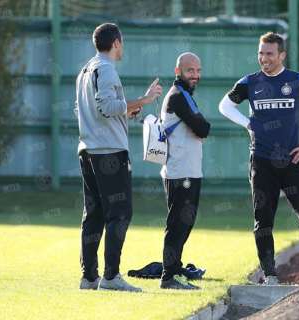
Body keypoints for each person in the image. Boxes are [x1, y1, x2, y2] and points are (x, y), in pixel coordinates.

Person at [218, 32, 299, 285]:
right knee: (263, 221)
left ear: (282, 55)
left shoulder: (297, 80)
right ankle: (270, 275)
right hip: (261, 162)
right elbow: (224, 106)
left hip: (293, 162)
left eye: (269, 53)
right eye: (261, 53)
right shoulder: (249, 82)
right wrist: (247, 123)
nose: (264, 58)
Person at [76, 23, 162, 291]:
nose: (122, 48)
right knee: (120, 213)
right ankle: (111, 277)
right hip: (109, 153)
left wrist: (128, 111)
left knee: (94, 214)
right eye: (121, 43)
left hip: (88, 149)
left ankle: (89, 277)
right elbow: (105, 107)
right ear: (116, 43)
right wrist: (144, 100)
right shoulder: (106, 69)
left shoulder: (85, 70)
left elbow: (87, 109)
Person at [158, 52, 210, 290]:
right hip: (181, 172)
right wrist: (202, 125)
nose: (195, 75)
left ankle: (175, 268)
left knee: (183, 223)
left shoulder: (183, 94)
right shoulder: (180, 95)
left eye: (198, 71)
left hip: (182, 170)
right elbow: (202, 127)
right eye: (191, 70)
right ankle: (169, 277)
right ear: (177, 71)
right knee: (178, 224)